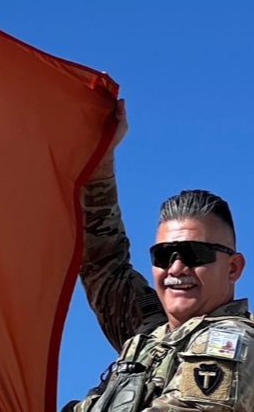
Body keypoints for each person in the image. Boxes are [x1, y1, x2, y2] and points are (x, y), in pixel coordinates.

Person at [66, 100, 254, 411]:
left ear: (233, 268)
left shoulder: (232, 343)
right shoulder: (151, 332)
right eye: (164, 255)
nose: (177, 267)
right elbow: (103, 261)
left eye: (196, 254)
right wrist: (99, 159)